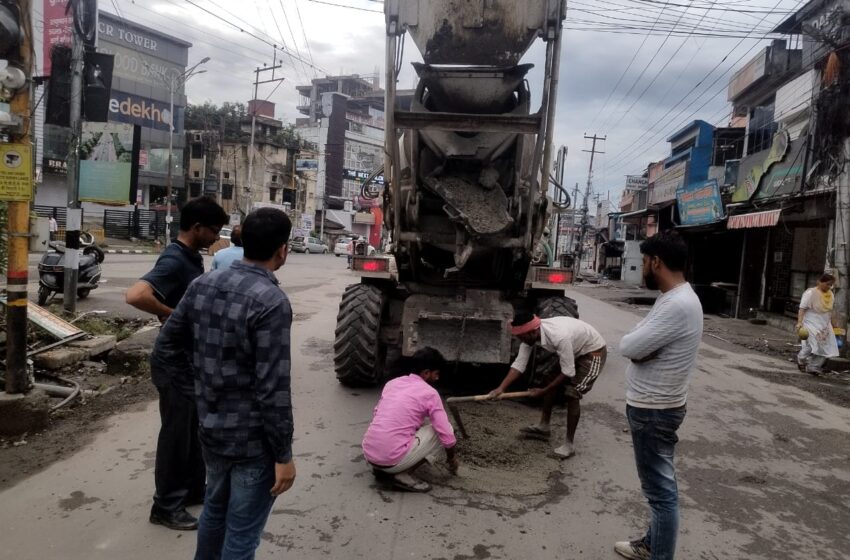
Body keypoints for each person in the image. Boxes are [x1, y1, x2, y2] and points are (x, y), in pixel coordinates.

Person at [153, 207, 296, 559]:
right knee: (242, 534)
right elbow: (272, 388)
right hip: (252, 442)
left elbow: (166, 346)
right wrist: (283, 455)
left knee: (214, 513)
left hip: (212, 431)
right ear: (282, 249)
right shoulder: (271, 302)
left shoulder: (203, 283)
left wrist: (199, 392)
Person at [126, 196, 228, 531]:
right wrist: (175, 317)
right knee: (176, 435)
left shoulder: (190, 257)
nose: (216, 236)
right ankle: (166, 506)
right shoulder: (174, 258)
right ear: (197, 228)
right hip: (173, 364)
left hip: (188, 361)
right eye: (213, 230)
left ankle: (192, 491)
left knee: (193, 431)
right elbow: (136, 295)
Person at [615, 231, 703, 560]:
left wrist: (640, 350)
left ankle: (658, 554)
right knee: (660, 484)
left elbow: (627, 346)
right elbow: (637, 342)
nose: (643, 269)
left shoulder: (677, 304)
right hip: (657, 406)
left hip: (654, 410)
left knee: (660, 493)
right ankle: (652, 544)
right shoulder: (672, 298)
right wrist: (641, 349)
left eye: (644, 263)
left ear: (657, 262)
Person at [488, 313, 607, 459]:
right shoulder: (529, 337)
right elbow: (519, 364)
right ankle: (544, 426)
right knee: (548, 378)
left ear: (534, 331)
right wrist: (501, 388)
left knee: (572, 392)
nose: (521, 341)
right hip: (573, 348)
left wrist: (542, 391)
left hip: (592, 351)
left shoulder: (559, 336)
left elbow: (568, 372)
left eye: (523, 338)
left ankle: (569, 445)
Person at [362, 348, 459, 493]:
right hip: (390, 460)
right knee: (443, 431)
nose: (438, 378)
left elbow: (377, 412)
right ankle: (402, 474)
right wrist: (452, 460)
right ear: (426, 373)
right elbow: (447, 436)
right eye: (436, 374)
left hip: (369, 454)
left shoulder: (393, 383)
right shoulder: (430, 393)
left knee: (415, 423)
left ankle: (382, 468)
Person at [796, 273, 839, 374]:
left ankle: (813, 366)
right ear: (819, 282)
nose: (829, 287)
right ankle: (801, 359)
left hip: (824, 325)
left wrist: (834, 323)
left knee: (825, 347)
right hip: (810, 322)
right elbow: (802, 309)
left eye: (831, 285)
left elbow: (830, 311)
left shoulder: (830, 295)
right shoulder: (810, 293)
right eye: (827, 284)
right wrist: (799, 322)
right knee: (812, 345)